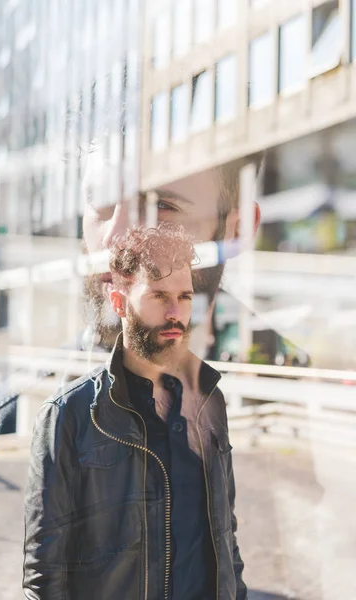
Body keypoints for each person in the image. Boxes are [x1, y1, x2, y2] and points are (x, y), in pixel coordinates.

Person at [0, 163, 261, 455]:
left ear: (239, 228)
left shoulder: (282, 402)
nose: (114, 237)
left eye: (161, 206)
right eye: (101, 202)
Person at [23, 223, 247, 600]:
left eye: (185, 296)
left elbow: (226, 536)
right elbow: (44, 575)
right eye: (159, 296)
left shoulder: (210, 399)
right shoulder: (69, 416)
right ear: (118, 302)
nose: (176, 312)